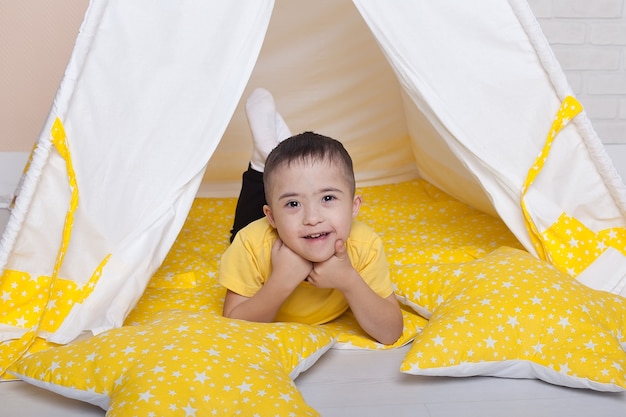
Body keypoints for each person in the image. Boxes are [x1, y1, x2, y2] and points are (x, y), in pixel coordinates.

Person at [218, 88, 403, 345]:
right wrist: (281, 280)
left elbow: (390, 332)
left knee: (291, 183)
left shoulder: (364, 244)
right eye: (294, 203)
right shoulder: (251, 243)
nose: (312, 218)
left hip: (289, 224)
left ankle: (272, 158)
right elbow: (233, 327)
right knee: (245, 220)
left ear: (354, 206)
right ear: (270, 218)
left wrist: (349, 279)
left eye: (328, 198)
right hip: (263, 229)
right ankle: (262, 163)